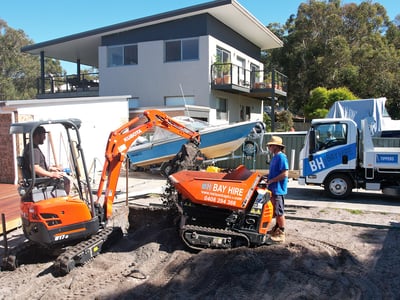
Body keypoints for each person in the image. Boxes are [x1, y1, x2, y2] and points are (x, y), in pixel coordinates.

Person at [23, 126, 70, 194]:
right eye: (43, 135)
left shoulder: (30, 147)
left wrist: (51, 168)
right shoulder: (34, 150)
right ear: (37, 135)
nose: (45, 138)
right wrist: (52, 174)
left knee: (63, 176)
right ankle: (64, 201)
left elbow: (38, 165)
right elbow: (35, 168)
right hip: (41, 181)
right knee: (67, 180)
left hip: (40, 179)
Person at [265, 136, 289, 243]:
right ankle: (276, 229)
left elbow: (285, 173)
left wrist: (272, 180)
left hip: (278, 189)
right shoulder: (275, 157)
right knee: (275, 210)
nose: (269, 147)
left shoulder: (281, 157)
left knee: (279, 212)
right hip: (273, 188)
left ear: (276, 146)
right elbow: (273, 173)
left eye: (270, 145)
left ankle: (281, 233)